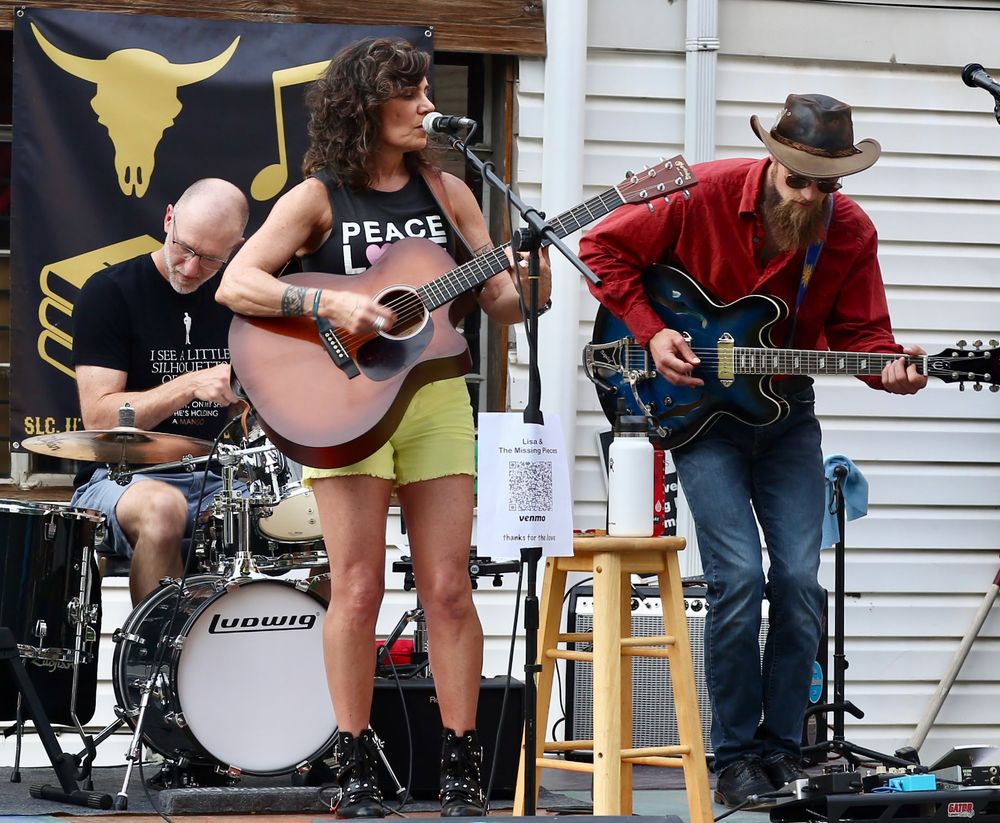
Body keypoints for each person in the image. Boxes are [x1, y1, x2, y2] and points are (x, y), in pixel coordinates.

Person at [215, 37, 551, 819]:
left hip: (435, 399)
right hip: (345, 404)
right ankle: (354, 757)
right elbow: (240, 281)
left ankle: (462, 762)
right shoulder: (318, 196)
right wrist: (329, 304)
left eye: (430, 89)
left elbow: (501, 302)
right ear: (368, 104)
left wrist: (533, 269)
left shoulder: (449, 190)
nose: (429, 105)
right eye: (412, 93)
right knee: (359, 587)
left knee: (448, 587)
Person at [579, 94, 927, 809]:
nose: (811, 196)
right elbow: (600, 248)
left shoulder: (850, 230)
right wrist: (648, 330)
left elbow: (863, 340)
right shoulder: (700, 192)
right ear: (772, 158)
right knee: (737, 578)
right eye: (798, 178)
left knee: (800, 581)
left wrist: (893, 369)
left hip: (786, 417)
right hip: (698, 418)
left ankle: (782, 749)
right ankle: (734, 754)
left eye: (825, 185)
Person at [71, 178, 249, 607]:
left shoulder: (241, 299)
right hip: (121, 475)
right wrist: (190, 385)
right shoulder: (110, 291)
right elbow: (98, 418)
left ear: (237, 248)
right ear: (168, 218)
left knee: (317, 518)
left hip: (217, 474)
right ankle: (154, 664)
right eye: (184, 248)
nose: (189, 268)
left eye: (210, 259)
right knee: (164, 509)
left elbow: (252, 414)